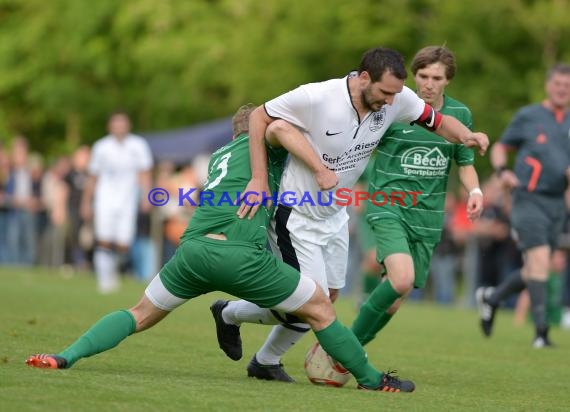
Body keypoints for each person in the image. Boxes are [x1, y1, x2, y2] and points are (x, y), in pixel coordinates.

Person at [25, 105, 416, 393]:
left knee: (139, 313)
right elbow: (280, 129)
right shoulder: (269, 143)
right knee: (319, 306)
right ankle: (372, 380)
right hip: (241, 257)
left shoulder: (219, 156)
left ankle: (64, 356)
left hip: (192, 253)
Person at [220, 46, 489, 382]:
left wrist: (467, 136)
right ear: (364, 78)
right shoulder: (319, 96)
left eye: (396, 93)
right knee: (314, 302)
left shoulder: (398, 98)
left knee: (326, 299)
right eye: (385, 93)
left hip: (335, 213)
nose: (392, 102)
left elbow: (437, 123)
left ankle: (261, 357)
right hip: (297, 212)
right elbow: (261, 117)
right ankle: (235, 318)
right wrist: (259, 179)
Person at [349, 46, 484, 346]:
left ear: (448, 80)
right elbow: (358, 145)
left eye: (436, 77)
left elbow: (465, 165)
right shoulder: (392, 106)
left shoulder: (460, 114)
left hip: (428, 217)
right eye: (422, 75)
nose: (428, 83)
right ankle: (345, 349)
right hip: (389, 208)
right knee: (399, 278)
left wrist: (474, 191)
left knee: (395, 298)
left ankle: (347, 349)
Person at [477, 63, 570, 347]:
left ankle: (491, 298)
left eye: (567, 86)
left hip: (557, 203)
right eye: (558, 84)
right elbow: (500, 147)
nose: (562, 89)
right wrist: (503, 171)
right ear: (548, 85)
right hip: (528, 198)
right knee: (540, 260)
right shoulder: (528, 116)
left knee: (535, 269)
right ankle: (541, 333)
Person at [80, 112, 153, 293]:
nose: (119, 127)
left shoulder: (138, 145)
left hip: (127, 200)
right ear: (109, 126)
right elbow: (93, 176)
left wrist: (146, 197)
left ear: (128, 126)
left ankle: (111, 270)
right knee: (104, 239)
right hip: (105, 199)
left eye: (122, 123)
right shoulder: (101, 147)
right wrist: (86, 202)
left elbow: (145, 173)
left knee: (123, 243)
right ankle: (104, 280)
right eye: (116, 124)